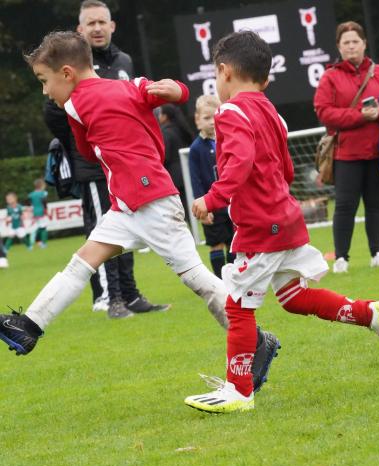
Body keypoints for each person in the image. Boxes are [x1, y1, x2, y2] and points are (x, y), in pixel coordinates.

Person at [0, 31, 279, 393]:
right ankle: (29, 325)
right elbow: (178, 92)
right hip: (129, 205)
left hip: (151, 201)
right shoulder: (129, 86)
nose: (44, 91)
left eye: (44, 80)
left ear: (67, 73)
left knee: (196, 278)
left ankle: (255, 341)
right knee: (82, 262)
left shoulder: (75, 104)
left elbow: (85, 151)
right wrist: (174, 90)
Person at [184, 31, 379, 414]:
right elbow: (287, 169)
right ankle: (373, 313)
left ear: (224, 72)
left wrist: (212, 198)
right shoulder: (271, 112)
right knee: (294, 297)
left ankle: (238, 392)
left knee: (237, 306)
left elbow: (239, 163)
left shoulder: (231, 112)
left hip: (261, 226)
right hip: (285, 218)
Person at [44, 0, 167, 318]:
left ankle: (130, 294)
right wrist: (85, 143)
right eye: (91, 23)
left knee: (127, 229)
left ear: (112, 26)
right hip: (92, 166)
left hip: (124, 166)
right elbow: (53, 113)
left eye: (102, 22)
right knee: (103, 230)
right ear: (79, 29)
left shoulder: (125, 61)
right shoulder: (68, 66)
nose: (97, 28)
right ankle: (109, 297)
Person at [313, 21, 379, 274]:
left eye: (356, 41)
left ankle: (378, 253)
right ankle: (341, 259)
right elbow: (324, 112)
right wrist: (360, 116)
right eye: (346, 42)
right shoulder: (330, 77)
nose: (351, 46)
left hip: (378, 152)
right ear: (338, 46)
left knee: (376, 205)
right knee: (345, 206)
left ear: (364, 44)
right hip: (346, 154)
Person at [189, 94, 235, 278]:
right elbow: (196, 180)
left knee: (234, 242)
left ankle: (233, 279)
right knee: (216, 243)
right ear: (197, 120)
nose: (211, 122)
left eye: (214, 116)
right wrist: (204, 206)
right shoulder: (196, 148)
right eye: (206, 118)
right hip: (212, 206)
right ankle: (219, 281)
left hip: (231, 203)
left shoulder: (228, 140)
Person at [158, 103, 194, 219]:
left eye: (161, 113)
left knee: (182, 210)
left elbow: (165, 156)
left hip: (174, 176)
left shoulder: (165, 132)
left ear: (165, 116)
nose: (159, 116)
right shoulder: (181, 129)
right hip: (186, 172)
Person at [28, 178, 49, 248]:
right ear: (41, 185)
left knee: (39, 227)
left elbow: (30, 204)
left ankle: (37, 241)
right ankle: (43, 243)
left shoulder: (31, 194)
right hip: (41, 211)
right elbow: (44, 202)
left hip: (35, 212)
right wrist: (46, 210)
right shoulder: (43, 193)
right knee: (43, 227)